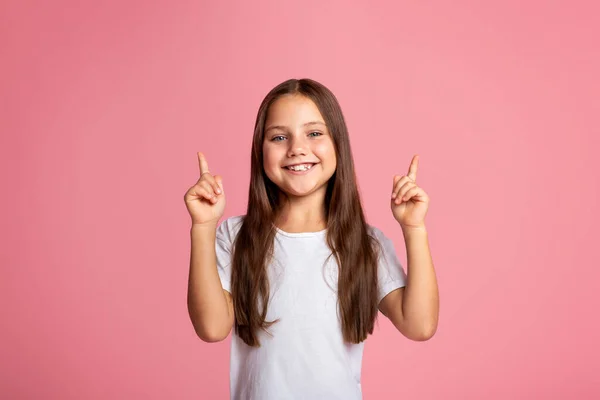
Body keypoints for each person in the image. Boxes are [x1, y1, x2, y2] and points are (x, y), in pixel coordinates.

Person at [184, 78, 439, 399]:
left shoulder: (366, 244)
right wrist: (203, 227)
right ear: (259, 151)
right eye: (279, 137)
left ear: (338, 144)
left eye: (314, 133)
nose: (297, 148)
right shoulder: (236, 236)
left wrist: (414, 230)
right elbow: (211, 328)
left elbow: (419, 325)